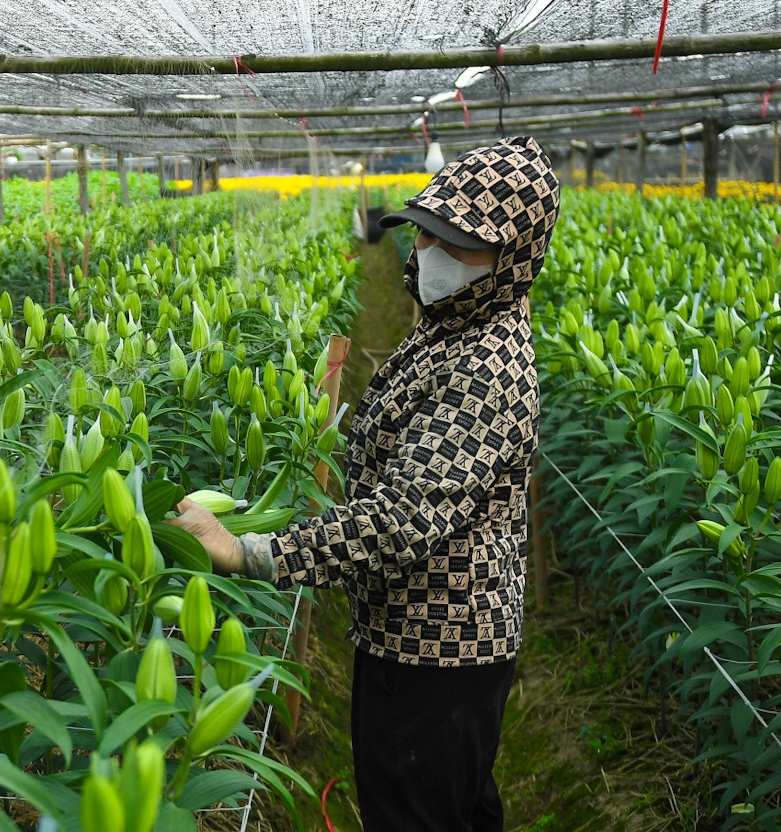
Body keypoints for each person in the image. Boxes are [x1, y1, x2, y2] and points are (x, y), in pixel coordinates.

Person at [169, 136, 558, 832]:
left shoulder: (486, 367)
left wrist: (250, 552)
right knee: (459, 810)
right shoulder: (458, 320)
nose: (429, 255)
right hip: (420, 634)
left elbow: (401, 518)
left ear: (513, 260)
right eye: (430, 234)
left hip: (439, 651)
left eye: (459, 245)